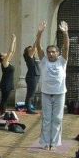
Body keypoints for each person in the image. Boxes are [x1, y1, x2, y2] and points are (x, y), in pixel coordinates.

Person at [35, 20, 69, 149]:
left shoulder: (62, 61)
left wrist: (65, 33)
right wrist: (39, 33)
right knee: (47, 119)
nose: (50, 53)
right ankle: (45, 143)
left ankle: (54, 143)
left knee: (57, 119)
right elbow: (38, 46)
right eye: (49, 51)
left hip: (60, 93)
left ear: (58, 53)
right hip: (46, 93)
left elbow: (66, 47)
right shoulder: (44, 61)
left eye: (53, 52)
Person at [0, 34, 17, 116]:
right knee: (4, 100)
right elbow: (10, 51)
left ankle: (3, 113)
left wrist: (15, 41)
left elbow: (13, 51)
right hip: (5, 84)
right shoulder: (4, 62)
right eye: (3, 53)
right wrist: (13, 40)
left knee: (5, 100)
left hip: (7, 84)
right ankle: (2, 114)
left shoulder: (6, 62)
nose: (5, 53)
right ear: (2, 57)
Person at [23, 44, 40, 114]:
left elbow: (35, 49)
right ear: (28, 52)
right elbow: (34, 48)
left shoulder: (33, 57)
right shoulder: (29, 57)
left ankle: (28, 108)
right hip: (32, 77)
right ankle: (28, 109)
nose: (32, 50)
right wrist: (37, 38)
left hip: (34, 76)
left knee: (30, 94)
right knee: (30, 94)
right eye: (30, 50)